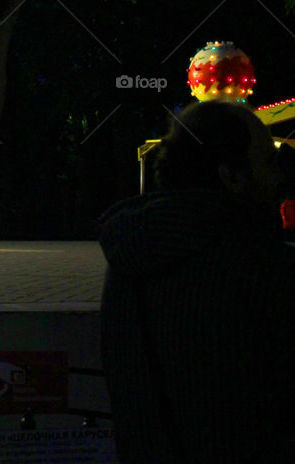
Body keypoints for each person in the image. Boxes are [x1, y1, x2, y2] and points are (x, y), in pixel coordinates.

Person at [98, 100, 294, 464]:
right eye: (267, 162)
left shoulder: (128, 261)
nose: (279, 178)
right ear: (231, 176)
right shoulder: (266, 270)